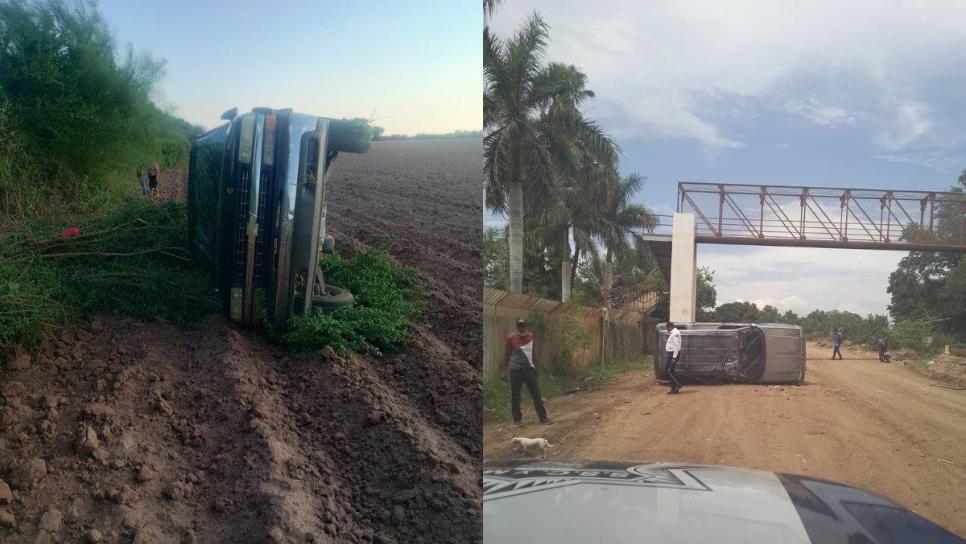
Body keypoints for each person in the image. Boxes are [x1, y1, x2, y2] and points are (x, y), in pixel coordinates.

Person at [507, 319, 550, 427]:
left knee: (536, 395)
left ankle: (543, 418)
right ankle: (517, 420)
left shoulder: (531, 336)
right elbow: (507, 353)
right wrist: (506, 369)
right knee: (515, 396)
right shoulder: (511, 337)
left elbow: (533, 351)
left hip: (529, 370)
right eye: (520, 326)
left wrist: (537, 366)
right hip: (516, 371)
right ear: (517, 327)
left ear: (526, 327)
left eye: (523, 326)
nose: (522, 328)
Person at [664, 322, 683, 394]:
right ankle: (674, 389)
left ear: (670, 327)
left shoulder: (675, 334)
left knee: (667, 370)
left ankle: (677, 385)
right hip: (671, 353)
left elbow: (676, 346)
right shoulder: (673, 333)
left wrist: (674, 357)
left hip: (673, 354)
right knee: (670, 371)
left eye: (667, 327)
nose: (667, 329)